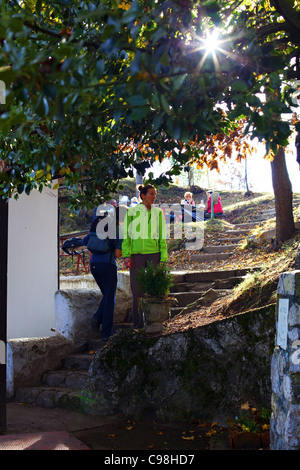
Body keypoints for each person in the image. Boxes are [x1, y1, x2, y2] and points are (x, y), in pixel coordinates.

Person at [122, 184, 168, 329]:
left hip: (154, 254)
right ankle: (138, 326)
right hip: (136, 255)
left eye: (155, 194)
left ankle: (155, 322)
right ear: (143, 195)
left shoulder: (158, 213)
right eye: (151, 194)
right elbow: (126, 235)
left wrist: (163, 258)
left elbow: (162, 235)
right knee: (137, 291)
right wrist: (126, 255)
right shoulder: (132, 212)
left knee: (156, 289)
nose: (154, 197)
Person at [83, 205, 127, 344]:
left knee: (107, 296)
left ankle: (97, 319)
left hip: (94, 265)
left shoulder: (99, 223)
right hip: (108, 265)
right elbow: (118, 254)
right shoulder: (118, 230)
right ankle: (106, 333)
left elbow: (86, 241)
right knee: (110, 300)